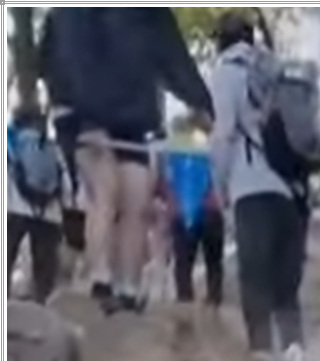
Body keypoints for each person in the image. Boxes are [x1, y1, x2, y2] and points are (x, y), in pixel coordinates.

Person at [43, 8, 213, 314]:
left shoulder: (151, 13)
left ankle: (128, 288)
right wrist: (68, 104)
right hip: (84, 114)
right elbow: (61, 52)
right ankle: (98, 277)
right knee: (106, 189)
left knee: (137, 197)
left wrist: (201, 102)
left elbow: (174, 56)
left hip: (132, 118)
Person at [209, 12, 312, 361]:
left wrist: (219, 184)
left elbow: (224, 133)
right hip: (291, 189)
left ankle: (263, 358)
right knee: (286, 285)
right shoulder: (278, 69)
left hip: (250, 187)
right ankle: (297, 358)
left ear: (220, 40)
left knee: (254, 277)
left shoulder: (227, 71)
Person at [7, 106, 69, 304]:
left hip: (14, 209)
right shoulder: (52, 148)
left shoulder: (11, 143)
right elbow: (65, 184)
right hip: (49, 214)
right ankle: (42, 303)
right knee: (45, 263)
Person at [165, 147, 225, 308]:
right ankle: (209, 301)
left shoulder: (175, 151)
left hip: (188, 208)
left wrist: (173, 204)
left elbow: (168, 180)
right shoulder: (212, 148)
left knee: (186, 262)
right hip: (203, 208)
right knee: (210, 261)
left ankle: (189, 301)